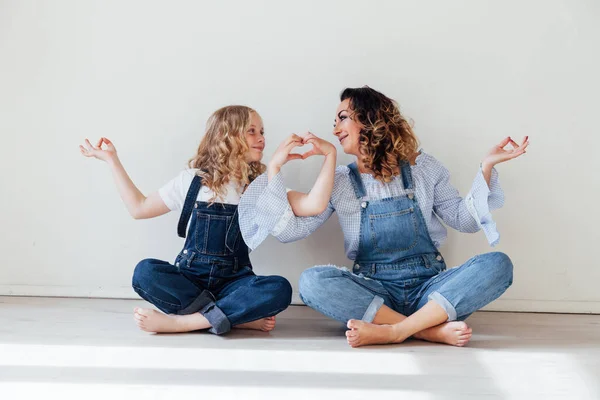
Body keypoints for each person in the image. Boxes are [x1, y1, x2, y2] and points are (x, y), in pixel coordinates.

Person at [239, 87, 528, 347]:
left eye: (342, 118)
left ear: (369, 118)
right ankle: (425, 330)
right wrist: (275, 168)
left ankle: (393, 331)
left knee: (497, 264)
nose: (335, 129)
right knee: (312, 282)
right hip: (376, 293)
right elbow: (291, 232)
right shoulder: (340, 181)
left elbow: (463, 220)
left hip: (430, 289)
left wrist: (486, 167)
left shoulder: (424, 168)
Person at [78, 105, 328, 335]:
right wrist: (112, 160)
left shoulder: (260, 187)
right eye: (251, 131)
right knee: (145, 272)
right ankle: (233, 316)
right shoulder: (191, 181)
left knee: (279, 288)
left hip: (235, 282)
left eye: (261, 131)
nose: (261, 138)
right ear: (227, 136)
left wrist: (329, 156)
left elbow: (314, 205)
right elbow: (139, 207)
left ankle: (185, 322)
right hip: (190, 280)